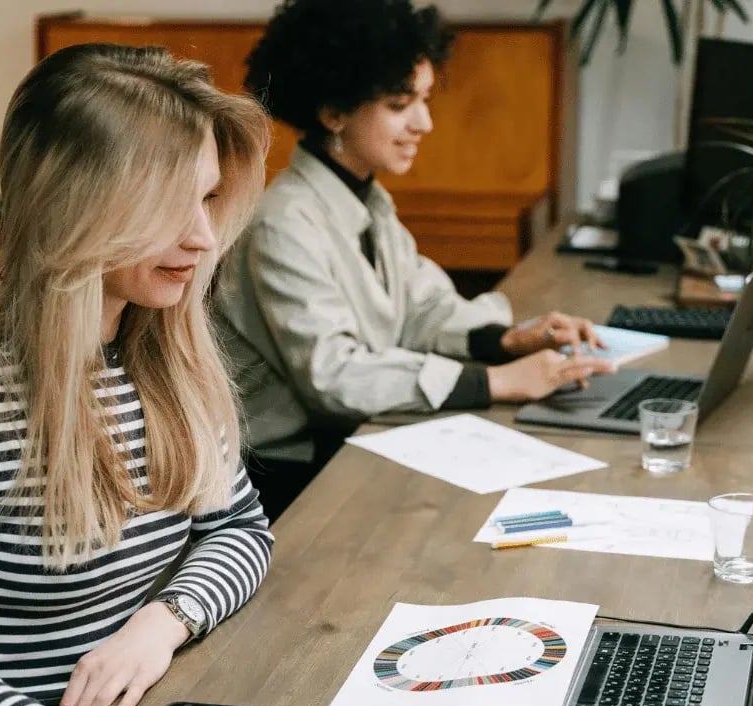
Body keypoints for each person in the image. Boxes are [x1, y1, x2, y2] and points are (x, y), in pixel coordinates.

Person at [0, 44, 331, 706]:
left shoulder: (164, 354)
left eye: (208, 200)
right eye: (170, 206)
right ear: (76, 209)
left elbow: (242, 529)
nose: (204, 239)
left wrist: (161, 622)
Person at [214, 0, 615, 521]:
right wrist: (497, 381)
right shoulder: (282, 224)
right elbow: (335, 377)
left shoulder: (365, 199)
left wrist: (507, 339)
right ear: (334, 110)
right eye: (401, 104)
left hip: (349, 445)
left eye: (425, 99)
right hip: (289, 481)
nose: (424, 123)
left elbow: (422, 306)